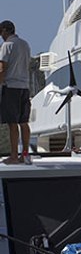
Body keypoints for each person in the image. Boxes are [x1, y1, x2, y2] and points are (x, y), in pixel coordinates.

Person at [0, 20, 32, 165]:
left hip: (11, 87)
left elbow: (2, 67)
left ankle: (14, 156)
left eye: (1, 32)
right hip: (24, 87)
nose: (1, 35)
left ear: (6, 30)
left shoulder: (7, 45)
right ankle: (25, 154)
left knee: (12, 123)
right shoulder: (25, 44)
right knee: (24, 122)